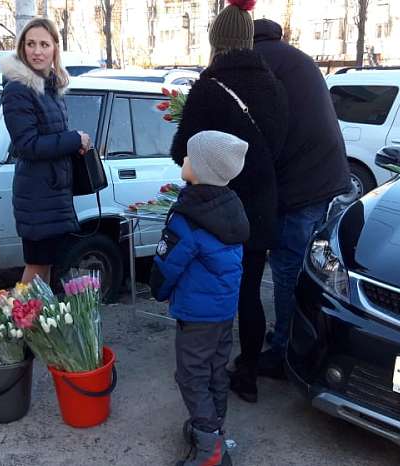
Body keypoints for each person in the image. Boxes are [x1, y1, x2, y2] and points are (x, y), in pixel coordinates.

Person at [169, 0, 289, 403]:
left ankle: (208, 376)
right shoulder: (273, 85)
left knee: (213, 292)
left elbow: (181, 152)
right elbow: (278, 144)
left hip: (216, 211)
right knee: (251, 291)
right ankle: (248, 373)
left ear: (216, 41)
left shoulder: (209, 87)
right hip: (259, 208)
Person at [252, 19, 352, 378]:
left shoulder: (259, 62)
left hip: (300, 187)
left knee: (287, 270)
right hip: (324, 179)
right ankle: (291, 335)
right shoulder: (297, 59)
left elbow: (264, 131)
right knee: (303, 267)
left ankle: (284, 355)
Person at [151, 130, 249, 466]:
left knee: (191, 375)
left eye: (190, 157)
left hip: (197, 315)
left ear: (203, 169)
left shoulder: (190, 216)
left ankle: (210, 450)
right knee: (214, 370)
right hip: (223, 310)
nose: (185, 160)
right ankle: (214, 429)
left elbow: (169, 263)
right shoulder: (229, 205)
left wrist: (158, 290)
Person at [0, 18, 91, 285]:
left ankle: (37, 325)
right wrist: (74, 139)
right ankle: (20, 324)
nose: (37, 51)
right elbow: (27, 144)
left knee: (46, 267)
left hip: (53, 193)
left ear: (54, 49)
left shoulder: (50, 88)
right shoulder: (18, 88)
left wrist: (76, 146)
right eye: (30, 44)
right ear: (22, 49)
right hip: (37, 195)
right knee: (36, 266)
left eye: (43, 44)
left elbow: (51, 139)